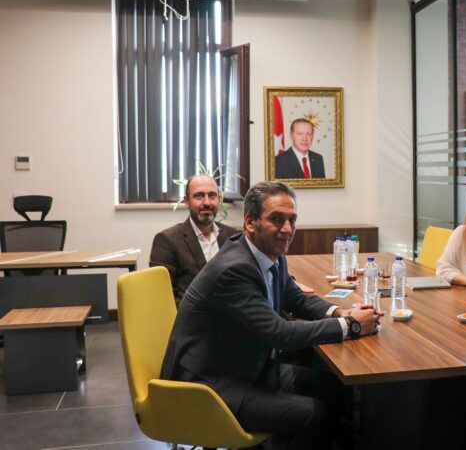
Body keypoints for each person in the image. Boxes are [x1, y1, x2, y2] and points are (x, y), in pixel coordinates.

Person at [160, 181, 380, 449]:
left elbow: (294, 297)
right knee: (313, 413)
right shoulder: (235, 269)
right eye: (276, 219)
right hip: (209, 385)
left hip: (241, 365)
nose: (287, 229)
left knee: (333, 387)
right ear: (250, 222)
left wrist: (340, 311)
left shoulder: (269, 251)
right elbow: (280, 334)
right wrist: (351, 325)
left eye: (292, 220)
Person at [150, 175, 240, 306]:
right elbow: (162, 295)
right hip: (191, 316)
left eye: (212, 196)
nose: (207, 203)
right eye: (199, 196)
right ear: (186, 201)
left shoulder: (233, 236)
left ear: (219, 199)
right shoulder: (167, 240)